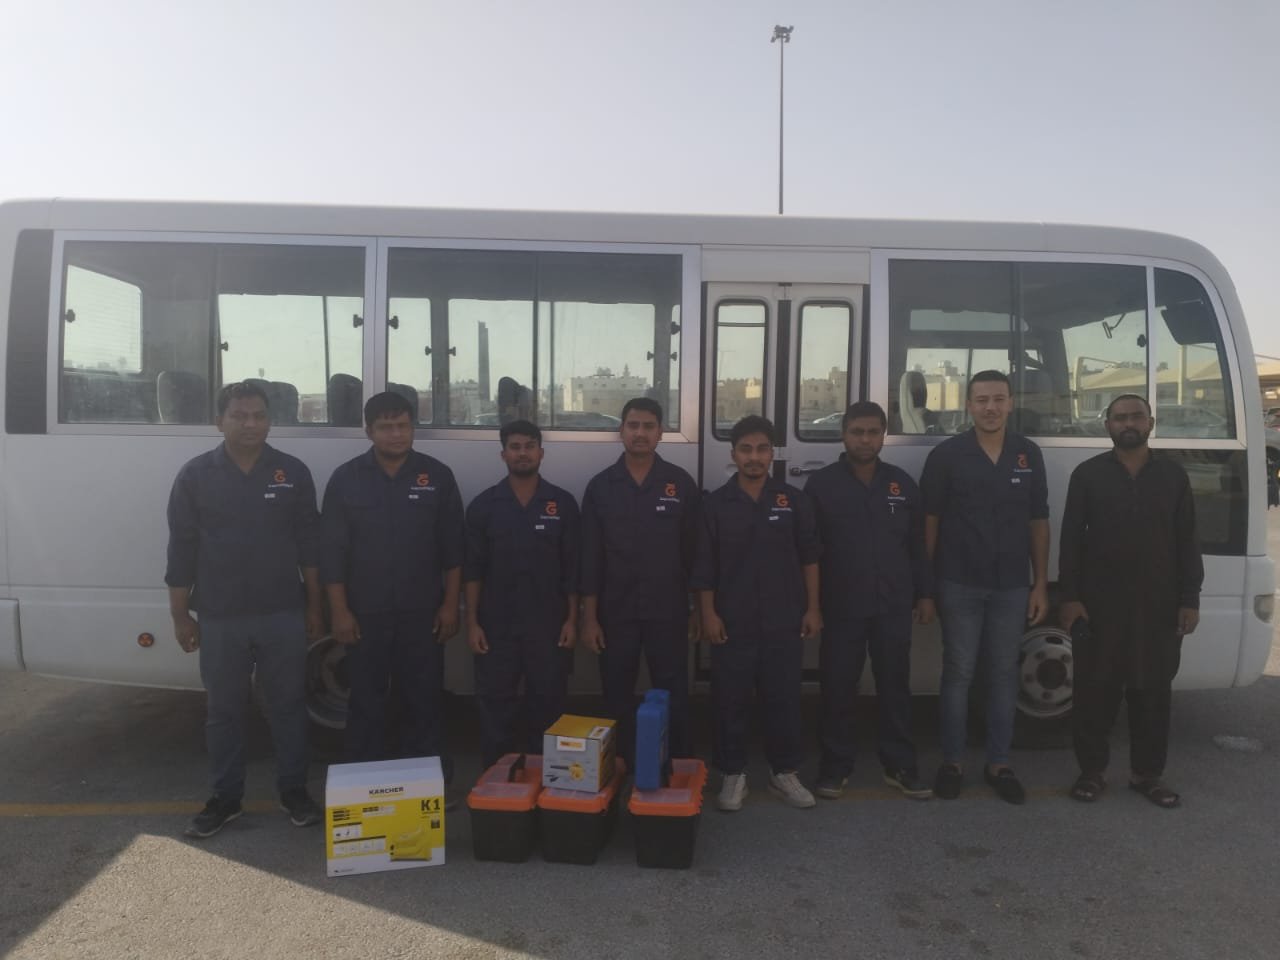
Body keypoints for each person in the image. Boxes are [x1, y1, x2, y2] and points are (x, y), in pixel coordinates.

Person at [166, 381, 324, 838]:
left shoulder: (292, 473)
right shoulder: (195, 476)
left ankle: (294, 791)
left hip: (282, 613)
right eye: (239, 415)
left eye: (258, 416)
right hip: (220, 616)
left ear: (270, 421)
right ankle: (225, 798)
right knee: (224, 711)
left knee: (289, 707)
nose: (250, 424)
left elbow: (310, 548)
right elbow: (181, 549)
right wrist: (180, 614)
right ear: (220, 421)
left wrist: (315, 607)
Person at [1058, 394, 1203, 809]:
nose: (1128, 423)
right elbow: (1071, 540)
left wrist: (1189, 598)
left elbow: (1188, 540)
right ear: (1107, 425)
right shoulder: (1088, 475)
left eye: (1136, 416)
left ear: (1150, 423)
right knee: (1095, 692)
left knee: (1152, 694)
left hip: (1159, 606)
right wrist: (1070, 598)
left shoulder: (1173, 476)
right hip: (1099, 606)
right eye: (1119, 417)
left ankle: (1147, 775)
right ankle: (1091, 772)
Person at [921, 370, 1049, 804]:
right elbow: (930, 521)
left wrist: (1040, 584)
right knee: (958, 672)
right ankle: (953, 763)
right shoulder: (947, 455)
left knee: (1003, 673)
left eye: (998, 399)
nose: (990, 407)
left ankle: (999, 763)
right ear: (969, 406)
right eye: (981, 400)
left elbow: (1039, 521)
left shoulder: (1027, 454)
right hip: (958, 582)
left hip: (1012, 585)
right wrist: (926, 585)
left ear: (1010, 403)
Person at [321, 391, 464, 771]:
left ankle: (426, 780)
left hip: (423, 614)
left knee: (424, 700)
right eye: (386, 427)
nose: (396, 434)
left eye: (403, 426)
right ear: (368, 431)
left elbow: (454, 552)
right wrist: (339, 612)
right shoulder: (346, 479)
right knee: (365, 701)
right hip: (365, 615)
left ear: (413, 428)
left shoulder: (437, 476)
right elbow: (332, 553)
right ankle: (362, 780)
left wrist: (451, 606)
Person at [692, 416, 822, 811]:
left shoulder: (793, 501)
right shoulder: (714, 504)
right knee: (729, 699)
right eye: (746, 449)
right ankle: (733, 774)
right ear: (733, 454)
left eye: (762, 449)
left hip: (784, 618)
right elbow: (704, 565)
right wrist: (708, 614)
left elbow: (810, 558)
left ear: (772, 454)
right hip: (732, 620)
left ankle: (784, 773)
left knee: (783, 698)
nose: (754, 457)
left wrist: (813, 608)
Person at [807, 401, 934, 801]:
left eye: (873, 432)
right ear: (843, 434)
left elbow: (917, 546)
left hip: (892, 604)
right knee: (838, 687)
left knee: (894, 686)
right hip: (841, 605)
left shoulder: (902, 484)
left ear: (883, 435)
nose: (865, 440)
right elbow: (809, 552)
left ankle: (900, 765)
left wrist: (925, 593)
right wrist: (812, 605)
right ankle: (835, 767)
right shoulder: (821, 485)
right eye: (857, 432)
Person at [579, 398, 700, 771]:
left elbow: (695, 554)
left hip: (669, 611)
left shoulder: (680, 484)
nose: (640, 433)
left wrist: (697, 609)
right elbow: (590, 558)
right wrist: (590, 618)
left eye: (648, 426)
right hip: (616, 612)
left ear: (660, 433)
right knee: (616, 694)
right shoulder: (601, 487)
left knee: (673, 692)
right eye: (633, 425)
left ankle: (674, 769)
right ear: (621, 431)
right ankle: (619, 768)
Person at [464, 420, 580, 767]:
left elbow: (573, 569)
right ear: (503, 455)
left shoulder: (562, 504)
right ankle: (496, 781)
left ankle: (546, 781)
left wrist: (572, 620)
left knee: (548, 706)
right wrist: (472, 623)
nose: (523, 453)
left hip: (549, 626)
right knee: (496, 707)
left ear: (541, 453)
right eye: (515, 447)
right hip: (497, 627)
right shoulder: (484, 506)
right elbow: (473, 571)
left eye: (529, 446)